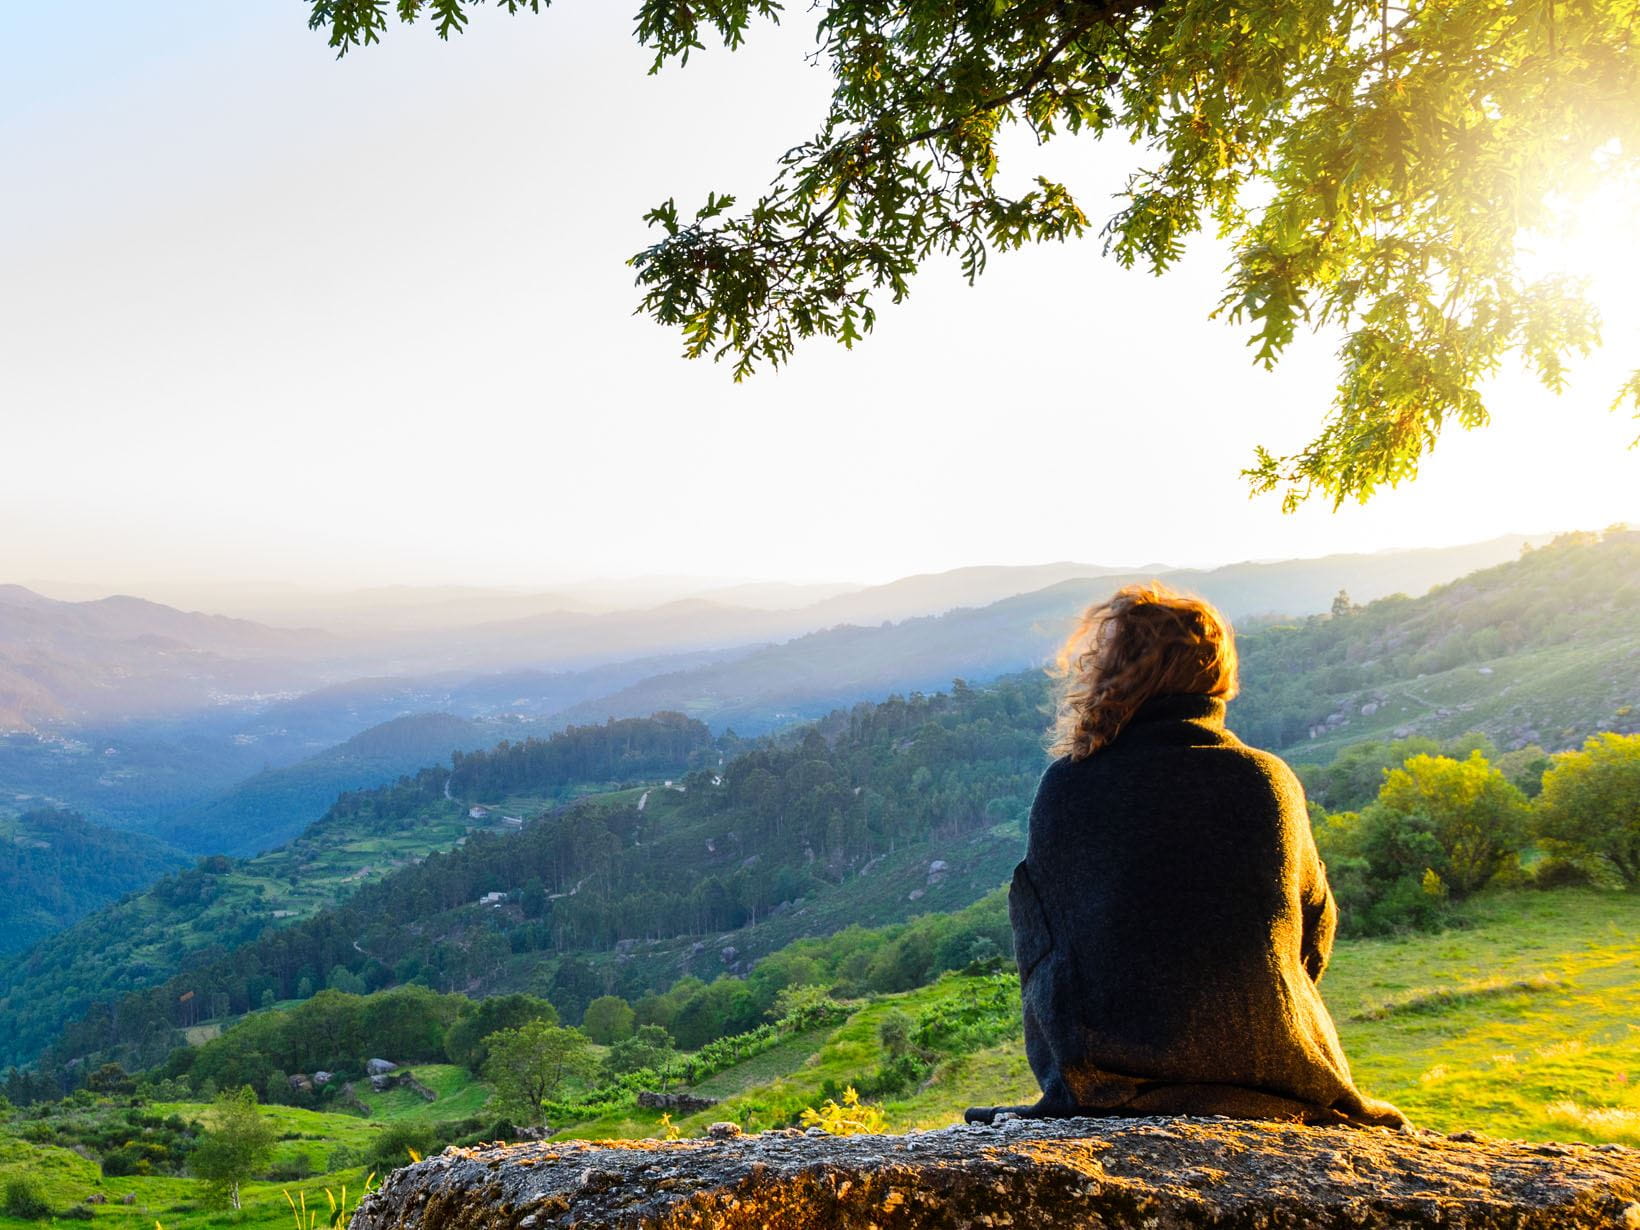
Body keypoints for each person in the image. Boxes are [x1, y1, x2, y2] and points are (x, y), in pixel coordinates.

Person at [966, 583, 1407, 1128]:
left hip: (1106, 1085)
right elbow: (1314, 930)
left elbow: (1042, 946)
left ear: (1109, 674)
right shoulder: (1267, 780)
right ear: (1215, 675)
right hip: (1282, 1078)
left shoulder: (1071, 785)